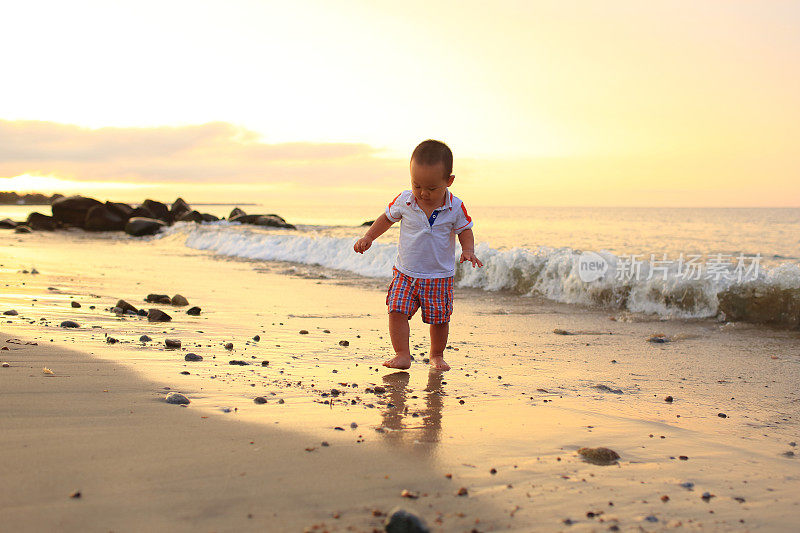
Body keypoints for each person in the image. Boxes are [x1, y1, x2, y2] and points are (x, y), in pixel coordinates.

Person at [353, 139, 483, 371]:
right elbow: (386, 219)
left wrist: (468, 250)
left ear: (448, 181)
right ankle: (402, 354)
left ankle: (436, 355)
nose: (423, 193)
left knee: (440, 319)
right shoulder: (404, 200)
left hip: (439, 276)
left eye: (432, 188)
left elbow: (465, 229)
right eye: (417, 185)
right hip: (405, 272)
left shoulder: (455, 206)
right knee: (396, 310)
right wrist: (369, 237)